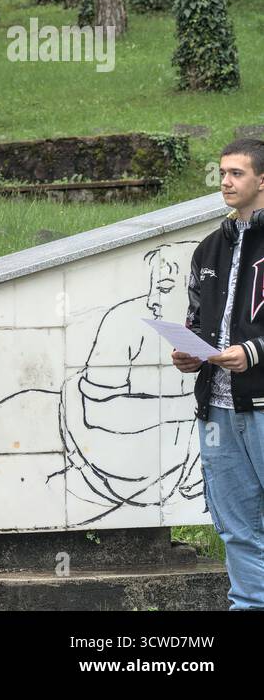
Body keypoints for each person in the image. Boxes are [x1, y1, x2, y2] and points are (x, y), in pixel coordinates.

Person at [174, 138, 264, 609]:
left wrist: (255, 352)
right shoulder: (209, 248)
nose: (225, 182)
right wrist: (190, 353)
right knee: (236, 526)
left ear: (262, 180)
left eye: (237, 174)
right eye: (223, 173)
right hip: (217, 412)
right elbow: (195, 320)